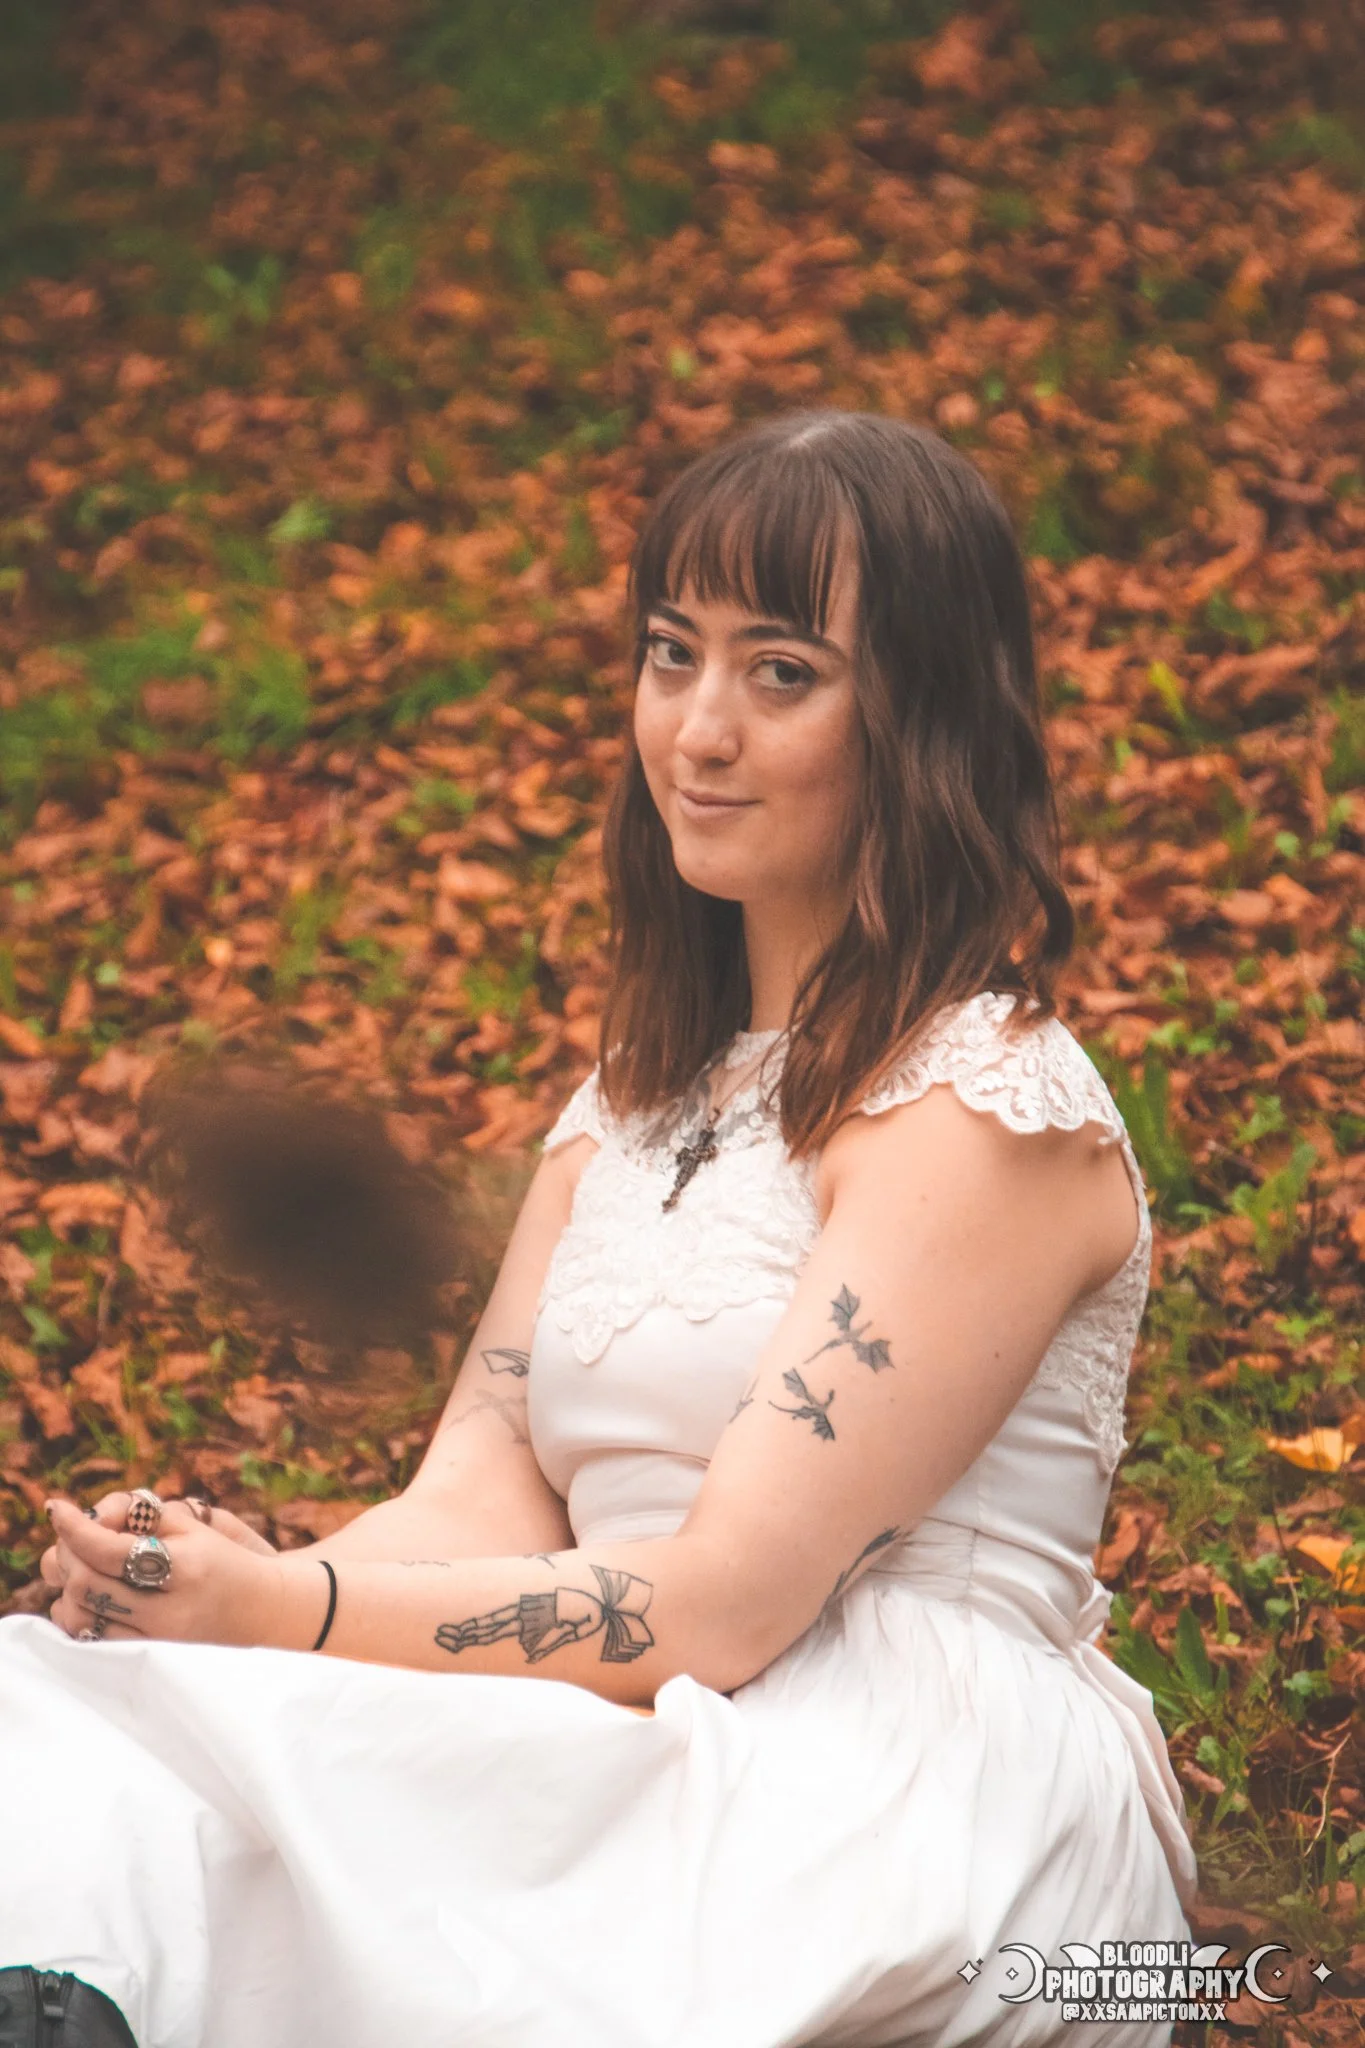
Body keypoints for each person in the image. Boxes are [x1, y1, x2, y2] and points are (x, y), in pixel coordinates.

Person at [0, 409, 1197, 2048]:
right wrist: (213, 1594)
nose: (699, 729)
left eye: (783, 672)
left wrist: (286, 1620)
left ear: (920, 715)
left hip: (882, 1777)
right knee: (81, 1711)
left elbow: (730, 1600)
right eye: (671, 654)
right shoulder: (628, 1105)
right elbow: (476, 1492)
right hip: (628, 1706)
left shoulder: (979, 1109)